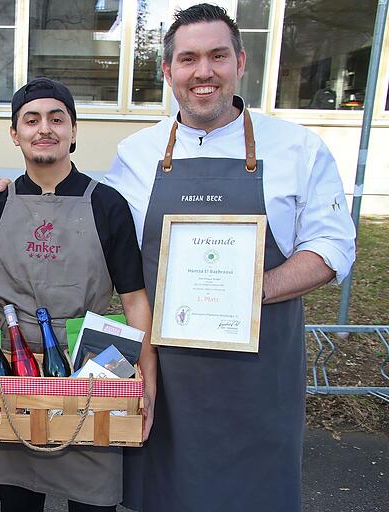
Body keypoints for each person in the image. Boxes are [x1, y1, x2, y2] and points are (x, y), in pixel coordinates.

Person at [102, 4, 356, 511]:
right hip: (166, 381)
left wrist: (252, 288)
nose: (204, 72)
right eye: (188, 59)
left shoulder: (297, 149)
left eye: (218, 56)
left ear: (241, 63)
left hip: (258, 384)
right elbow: (96, 238)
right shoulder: (135, 153)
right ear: (169, 71)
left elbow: (332, 248)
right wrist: (8, 192)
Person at [0, 77, 157, 512]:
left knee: (93, 500)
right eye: (31, 120)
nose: (45, 129)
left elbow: (134, 303)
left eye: (57, 118)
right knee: (17, 502)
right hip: (10, 378)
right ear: (15, 134)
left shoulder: (108, 205)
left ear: (74, 131)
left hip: (93, 374)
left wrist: (146, 385)